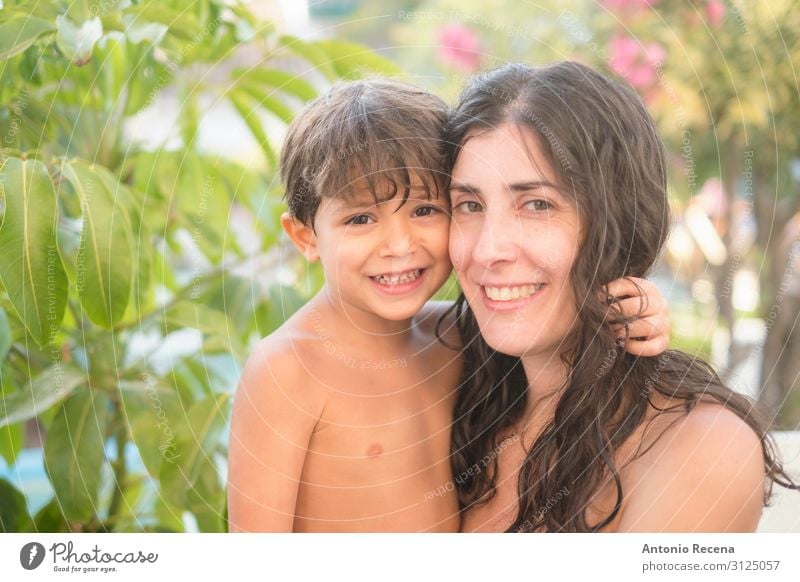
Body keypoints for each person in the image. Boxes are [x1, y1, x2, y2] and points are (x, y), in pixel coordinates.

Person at [227, 78, 670, 532]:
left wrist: (638, 306)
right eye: (360, 219)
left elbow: (559, 319)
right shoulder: (287, 370)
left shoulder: (456, 336)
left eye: (424, 210)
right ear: (305, 237)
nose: (399, 246)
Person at [444, 61, 798, 532]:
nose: (488, 250)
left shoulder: (698, 445)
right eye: (469, 204)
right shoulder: (457, 395)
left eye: (538, 204)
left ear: (620, 223)